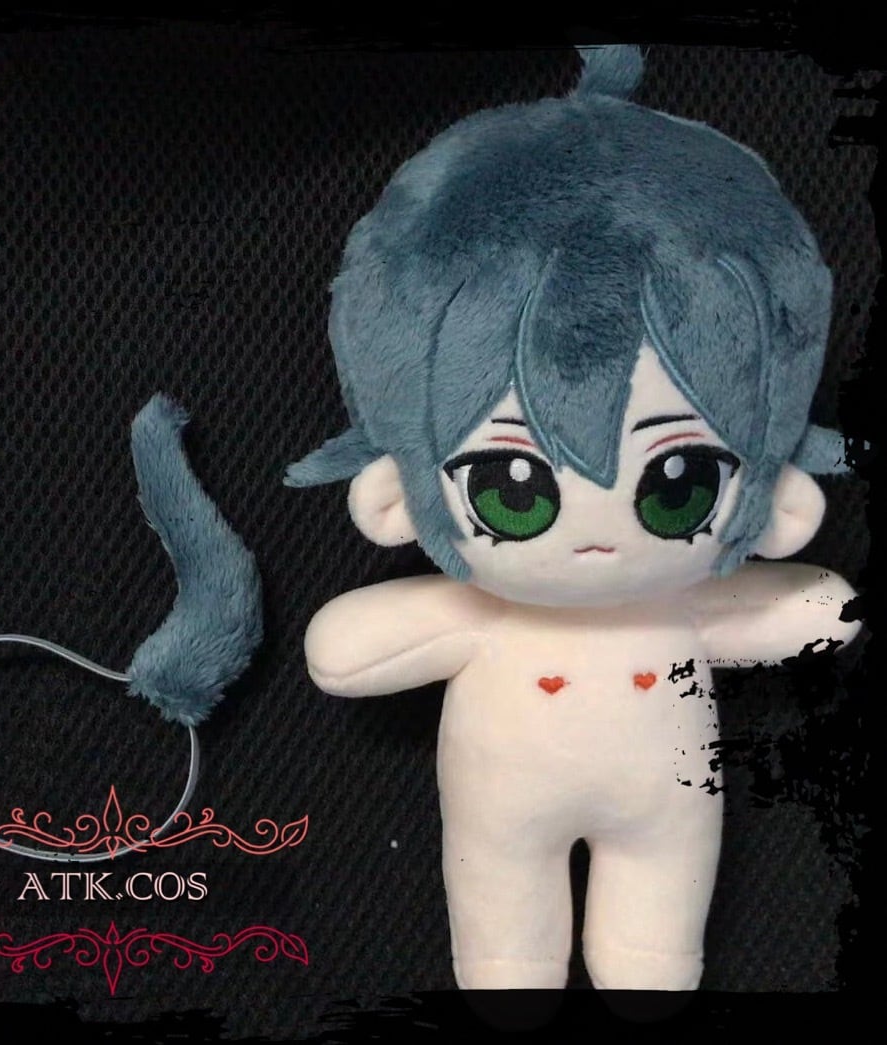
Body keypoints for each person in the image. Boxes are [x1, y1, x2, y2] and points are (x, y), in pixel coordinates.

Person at [286, 45, 861, 995]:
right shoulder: (486, 616)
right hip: (509, 810)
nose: (595, 533)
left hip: (667, 807)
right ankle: (510, 967)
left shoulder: (683, 605)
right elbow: (345, 652)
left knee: (653, 949)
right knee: (503, 931)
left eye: (677, 484)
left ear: (777, 499)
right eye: (512, 489)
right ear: (394, 496)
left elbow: (814, 612)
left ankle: (646, 963)